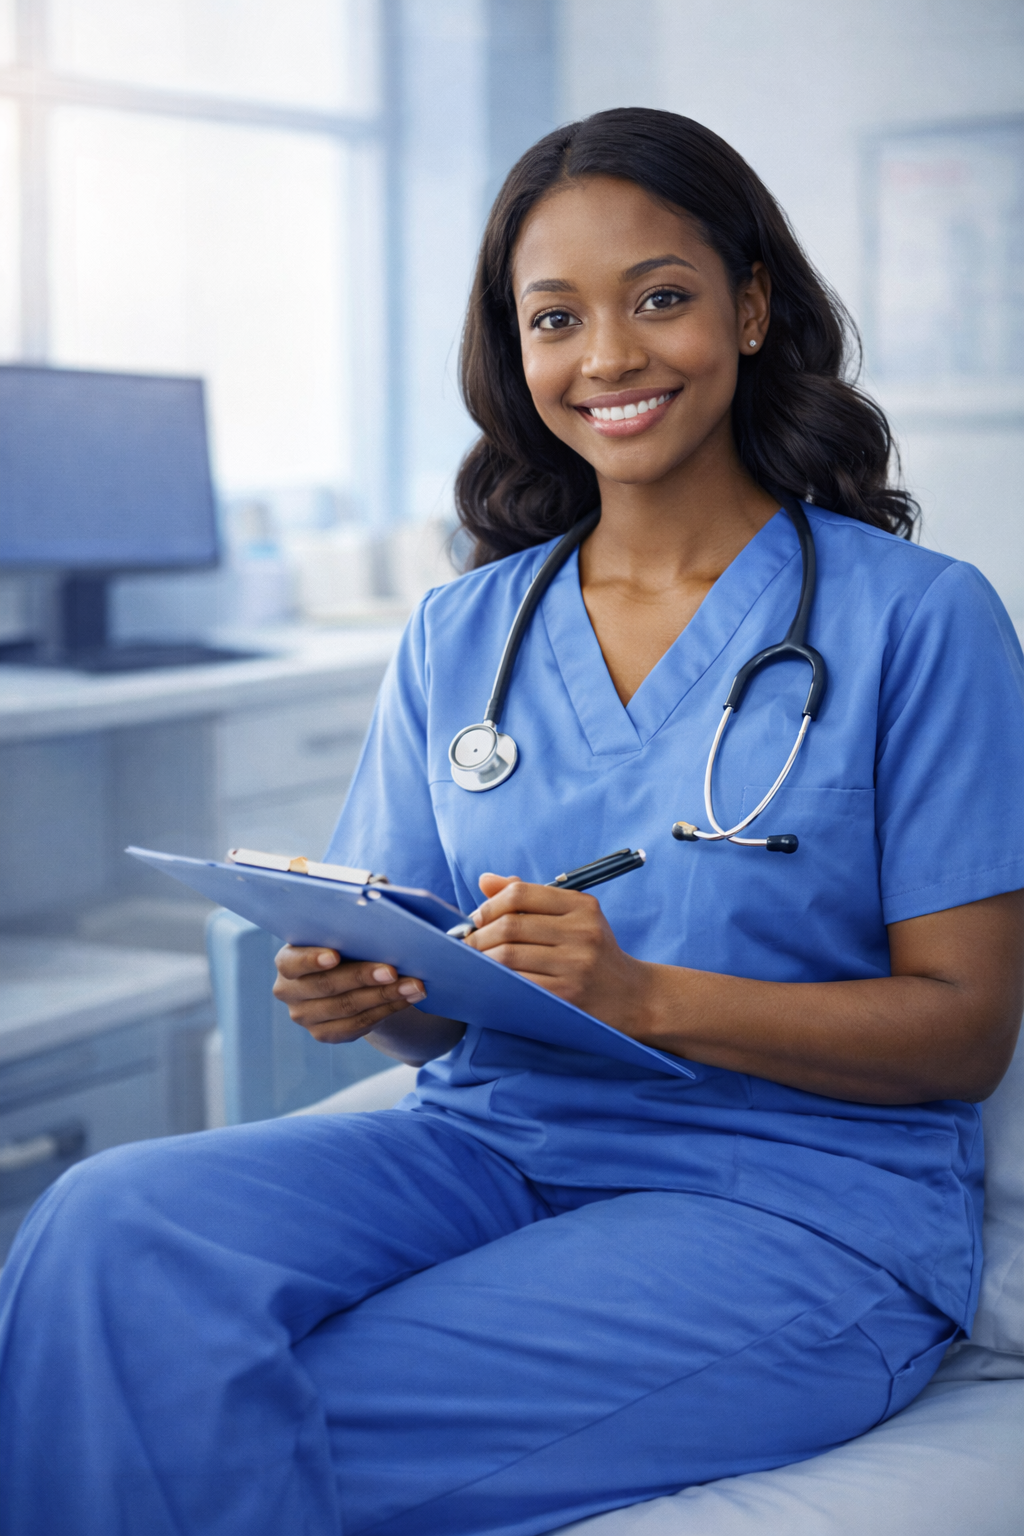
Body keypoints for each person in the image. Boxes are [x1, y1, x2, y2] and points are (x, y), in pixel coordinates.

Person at [1, 108, 1022, 1536]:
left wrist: (645, 993)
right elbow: (438, 1001)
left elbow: (964, 1032)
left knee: (193, 1408)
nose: (607, 356)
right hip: (489, 1142)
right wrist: (366, 985)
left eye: (659, 297)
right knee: (102, 1235)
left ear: (750, 307)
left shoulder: (921, 620)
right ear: (516, 351)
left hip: (799, 1203)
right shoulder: (463, 628)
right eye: (556, 318)